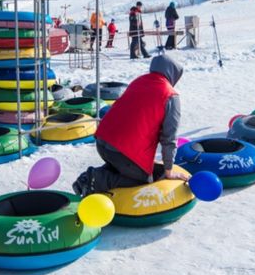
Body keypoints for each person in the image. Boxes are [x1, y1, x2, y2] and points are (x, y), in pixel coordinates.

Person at [72, 54, 188, 194]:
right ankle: (96, 178)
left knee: (121, 167)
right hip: (124, 150)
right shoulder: (170, 96)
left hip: (103, 141)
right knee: (143, 182)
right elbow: (169, 137)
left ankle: (88, 179)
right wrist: (169, 170)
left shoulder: (139, 81)